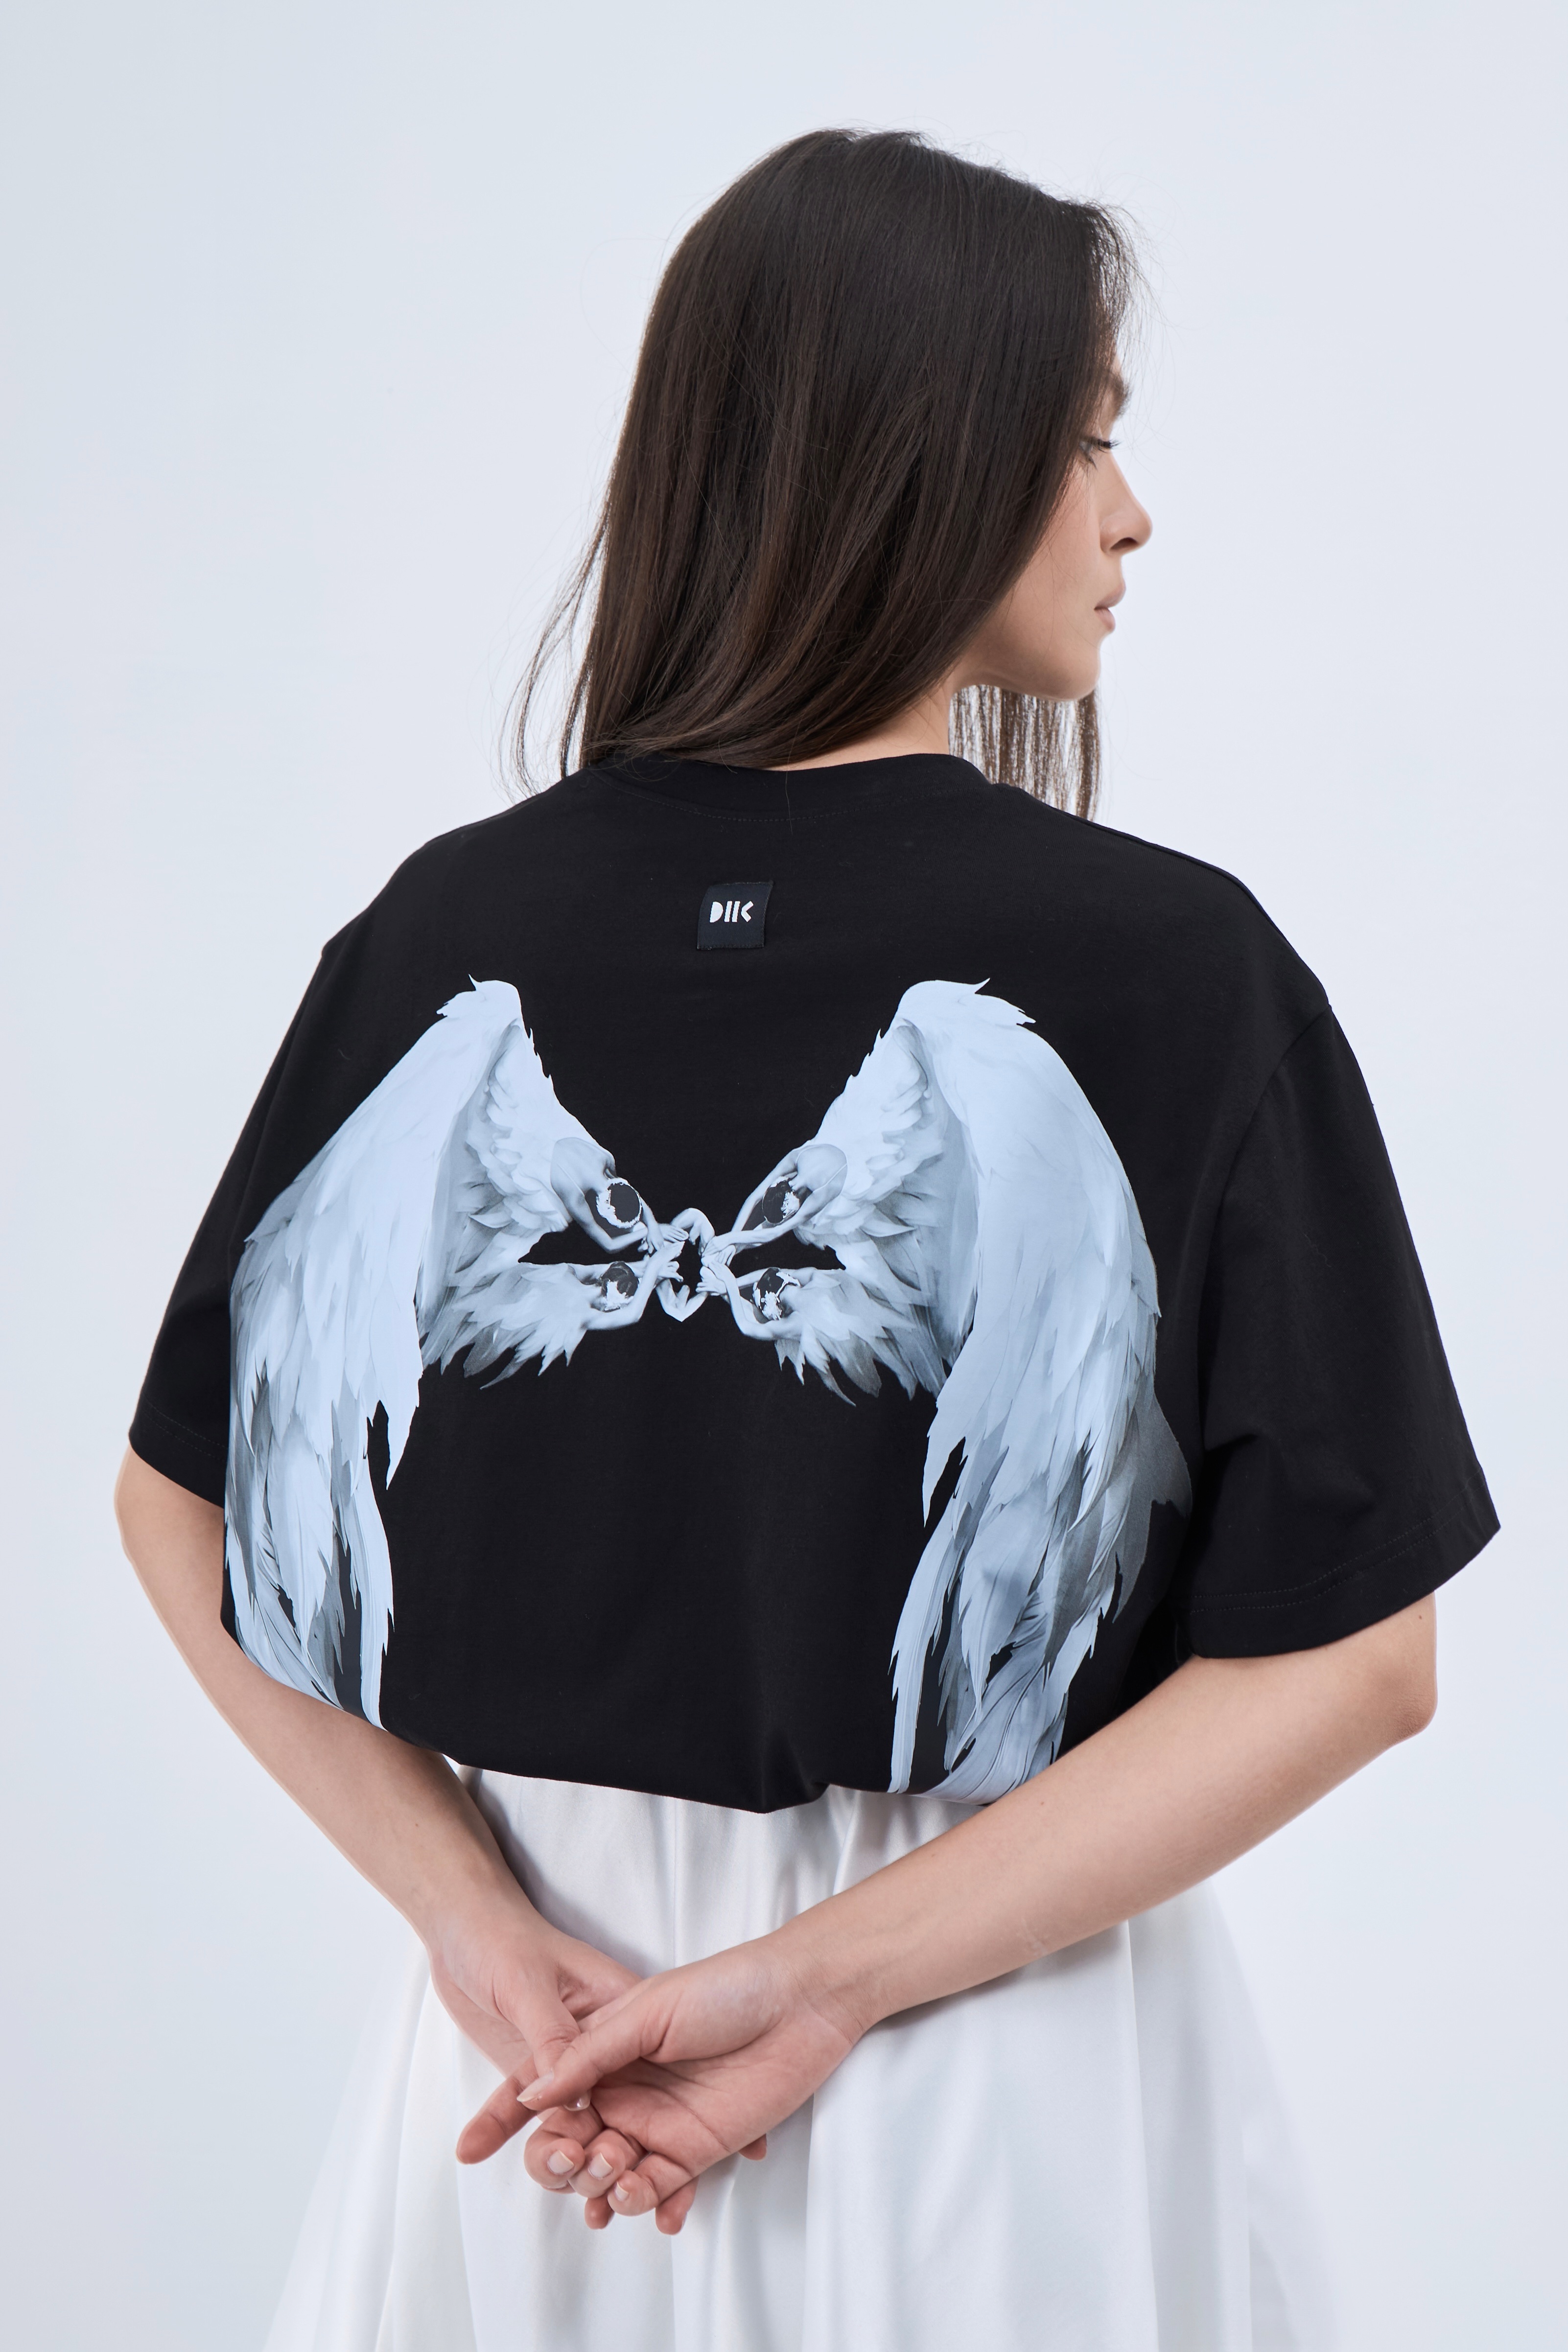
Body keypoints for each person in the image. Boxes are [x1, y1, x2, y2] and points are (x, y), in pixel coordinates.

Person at [115, 129, 1497, 2352]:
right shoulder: (1168, 965)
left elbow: (183, 1503)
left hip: (532, 2066)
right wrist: (821, 1979)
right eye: (1091, 441)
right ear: (930, 452)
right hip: (998, 2056)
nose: (1132, 515)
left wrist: (471, 1919)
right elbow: (1358, 1655)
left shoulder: (441, 935)